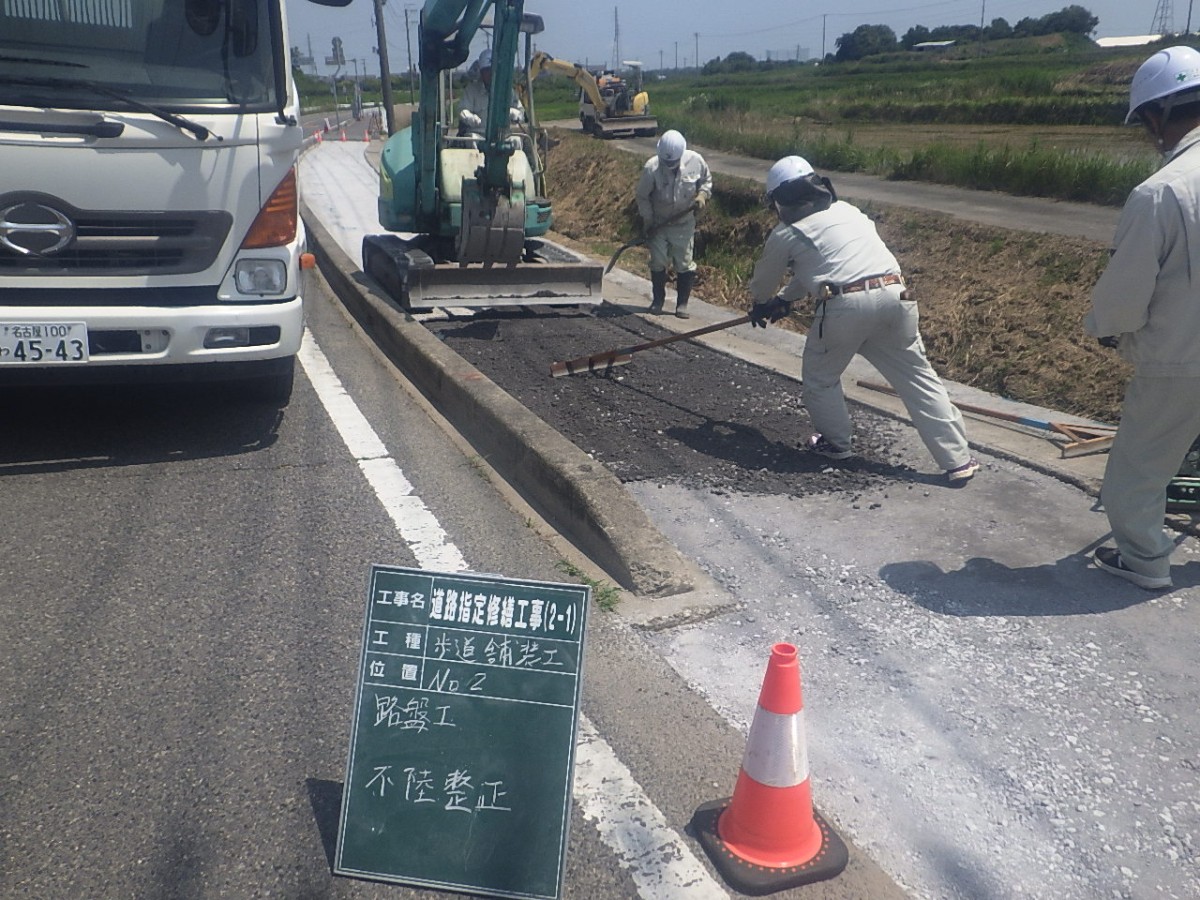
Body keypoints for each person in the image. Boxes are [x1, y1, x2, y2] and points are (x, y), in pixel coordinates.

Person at [745, 154, 980, 484]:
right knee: (918, 379)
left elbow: (764, 283)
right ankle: (958, 459)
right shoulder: (849, 212)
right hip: (895, 297)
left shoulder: (786, 233)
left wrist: (762, 303)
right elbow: (823, 266)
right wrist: (786, 299)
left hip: (846, 308)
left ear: (780, 200)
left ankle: (837, 444)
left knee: (820, 377)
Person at [1084, 45, 1200, 591]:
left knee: (1138, 471)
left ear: (1158, 114)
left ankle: (1146, 561)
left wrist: (1108, 328)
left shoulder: (1161, 192)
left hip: (1183, 357)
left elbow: (1127, 290)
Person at [635, 129, 712, 318]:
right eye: (666, 162)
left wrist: (702, 195)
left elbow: (707, 182)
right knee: (658, 262)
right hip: (659, 223)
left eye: (673, 162)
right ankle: (658, 300)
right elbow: (642, 197)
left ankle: (682, 304)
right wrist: (648, 220)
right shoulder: (651, 168)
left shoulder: (696, 161)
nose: (669, 165)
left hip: (683, 223)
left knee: (684, 263)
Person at [458, 48, 524, 135]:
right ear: (481, 72)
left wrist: (515, 113)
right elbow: (463, 110)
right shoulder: (471, 90)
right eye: (487, 71)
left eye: (493, 70)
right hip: (478, 133)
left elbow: (521, 113)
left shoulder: (507, 91)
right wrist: (470, 118)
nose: (490, 73)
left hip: (502, 136)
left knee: (516, 141)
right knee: (472, 139)